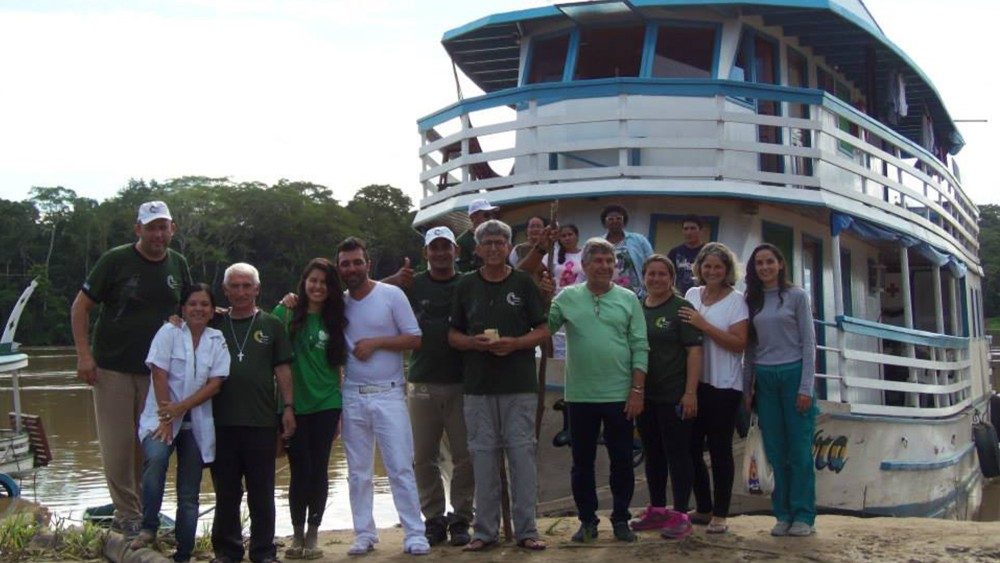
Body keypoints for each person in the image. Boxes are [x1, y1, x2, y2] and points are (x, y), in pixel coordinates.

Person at [70, 200, 193, 533]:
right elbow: (80, 307)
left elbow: (190, 310)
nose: (157, 233)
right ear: (138, 229)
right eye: (150, 227)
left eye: (162, 227)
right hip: (113, 368)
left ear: (172, 230)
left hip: (158, 374)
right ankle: (127, 516)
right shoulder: (115, 260)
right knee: (118, 446)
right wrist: (84, 356)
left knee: (148, 445)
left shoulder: (178, 265)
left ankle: (141, 511)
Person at [448, 220, 550, 552]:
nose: (493, 248)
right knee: (483, 458)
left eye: (499, 242)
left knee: (522, 457)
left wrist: (518, 343)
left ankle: (527, 530)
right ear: (477, 250)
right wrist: (474, 344)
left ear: (508, 248)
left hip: (518, 384)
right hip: (477, 387)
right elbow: (453, 335)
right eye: (487, 243)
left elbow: (544, 329)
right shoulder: (465, 286)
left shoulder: (523, 283)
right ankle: (485, 531)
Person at [548, 238, 649, 543]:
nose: (605, 266)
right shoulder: (566, 297)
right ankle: (587, 521)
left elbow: (640, 346)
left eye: (609, 261)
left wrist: (637, 391)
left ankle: (620, 519)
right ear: (585, 265)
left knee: (622, 462)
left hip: (620, 395)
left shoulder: (628, 298)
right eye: (598, 261)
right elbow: (545, 327)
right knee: (582, 464)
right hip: (580, 396)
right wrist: (543, 299)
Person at [336, 237, 429, 556]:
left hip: (389, 393)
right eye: (345, 263)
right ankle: (364, 532)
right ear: (340, 268)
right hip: (352, 395)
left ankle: (414, 532)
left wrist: (376, 343)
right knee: (358, 471)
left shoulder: (392, 295)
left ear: (368, 264)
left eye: (357, 262)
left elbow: (414, 338)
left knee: (400, 466)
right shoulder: (339, 302)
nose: (352, 268)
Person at [132, 283, 229, 562]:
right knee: (156, 460)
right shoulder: (169, 332)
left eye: (204, 304)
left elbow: (216, 383)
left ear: (212, 311)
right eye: (192, 304)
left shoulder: (216, 339)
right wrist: (166, 417)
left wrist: (181, 408)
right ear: (183, 309)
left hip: (195, 424)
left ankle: (183, 552)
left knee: (189, 492)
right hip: (160, 418)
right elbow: (159, 374)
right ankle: (149, 527)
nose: (198, 309)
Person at [211, 263, 295, 563]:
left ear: (257, 289)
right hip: (221, 423)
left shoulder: (272, 324)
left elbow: (283, 368)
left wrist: (288, 407)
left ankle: (263, 551)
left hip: (261, 422)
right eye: (234, 286)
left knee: (262, 493)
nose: (241, 292)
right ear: (225, 290)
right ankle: (227, 551)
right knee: (226, 493)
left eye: (247, 286)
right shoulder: (215, 323)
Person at [273, 258, 348, 559]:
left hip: (327, 404)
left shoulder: (336, 320)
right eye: (313, 280)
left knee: (318, 470)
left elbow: (338, 367)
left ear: (331, 288)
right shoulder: (285, 312)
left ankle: (314, 535)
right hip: (292, 406)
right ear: (303, 283)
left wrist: (340, 410)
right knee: (298, 471)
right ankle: (297, 535)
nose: (318, 287)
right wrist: (284, 406)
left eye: (324, 282)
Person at [404, 227, 474, 547]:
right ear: (425, 253)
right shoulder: (412, 284)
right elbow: (373, 291)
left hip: (462, 382)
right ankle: (433, 518)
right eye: (435, 248)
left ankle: (461, 517)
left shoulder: (469, 283)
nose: (441, 253)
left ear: (456, 251)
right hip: (422, 381)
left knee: (465, 455)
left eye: (446, 247)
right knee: (422, 457)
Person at [743, 243, 817, 537]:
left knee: (799, 450)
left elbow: (809, 343)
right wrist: (747, 387)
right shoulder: (753, 299)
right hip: (765, 377)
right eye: (759, 263)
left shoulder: (797, 296)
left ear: (780, 264)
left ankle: (804, 515)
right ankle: (782, 513)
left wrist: (806, 387)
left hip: (793, 372)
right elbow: (750, 348)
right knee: (775, 450)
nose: (764, 267)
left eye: (769, 262)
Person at [630, 256, 703, 540]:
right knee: (653, 453)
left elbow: (694, 351)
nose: (656, 279)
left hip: (674, 394)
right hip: (646, 395)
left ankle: (681, 514)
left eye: (662, 274)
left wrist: (690, 392)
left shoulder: (681, 308)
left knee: (678, 454)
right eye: (651, 274)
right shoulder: (637, 308)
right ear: (644, 277)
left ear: (671, 278)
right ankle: (657, 509)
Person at [679, 243, 748, 534]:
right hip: (696, 383)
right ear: (699, 268)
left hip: (724, 385)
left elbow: (738, 344)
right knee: (691, 447)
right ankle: (704, 507)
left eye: (718, 267)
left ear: (727, 270)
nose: (712, 271)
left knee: (720, 450)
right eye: (707, 266)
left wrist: (703, 325)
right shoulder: (692, 295)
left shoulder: (737, 301)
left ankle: (721, 513)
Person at [600, 204, 653, 298]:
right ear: (605, 222)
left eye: (618, 218)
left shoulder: (639, 240)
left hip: (636, 293)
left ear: (624, 221)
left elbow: (651, 262)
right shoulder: (599, 243)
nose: (615, 221)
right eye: (610, 219)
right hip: (607, 292)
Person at [456, 199, 499, 272]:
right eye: (487, 215)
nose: (491, 218)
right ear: (473, 217)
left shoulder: (498, 237)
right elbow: (462, 270)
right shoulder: (462, 241)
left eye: (492, 214)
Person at [667, 215, 706, 296]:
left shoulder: (708, 252)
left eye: (693, 228)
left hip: (704, 298)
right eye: (686, 229)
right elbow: (667, 276)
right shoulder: (674, 252)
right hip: (679, 298)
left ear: (701, 230)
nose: (689, 232)